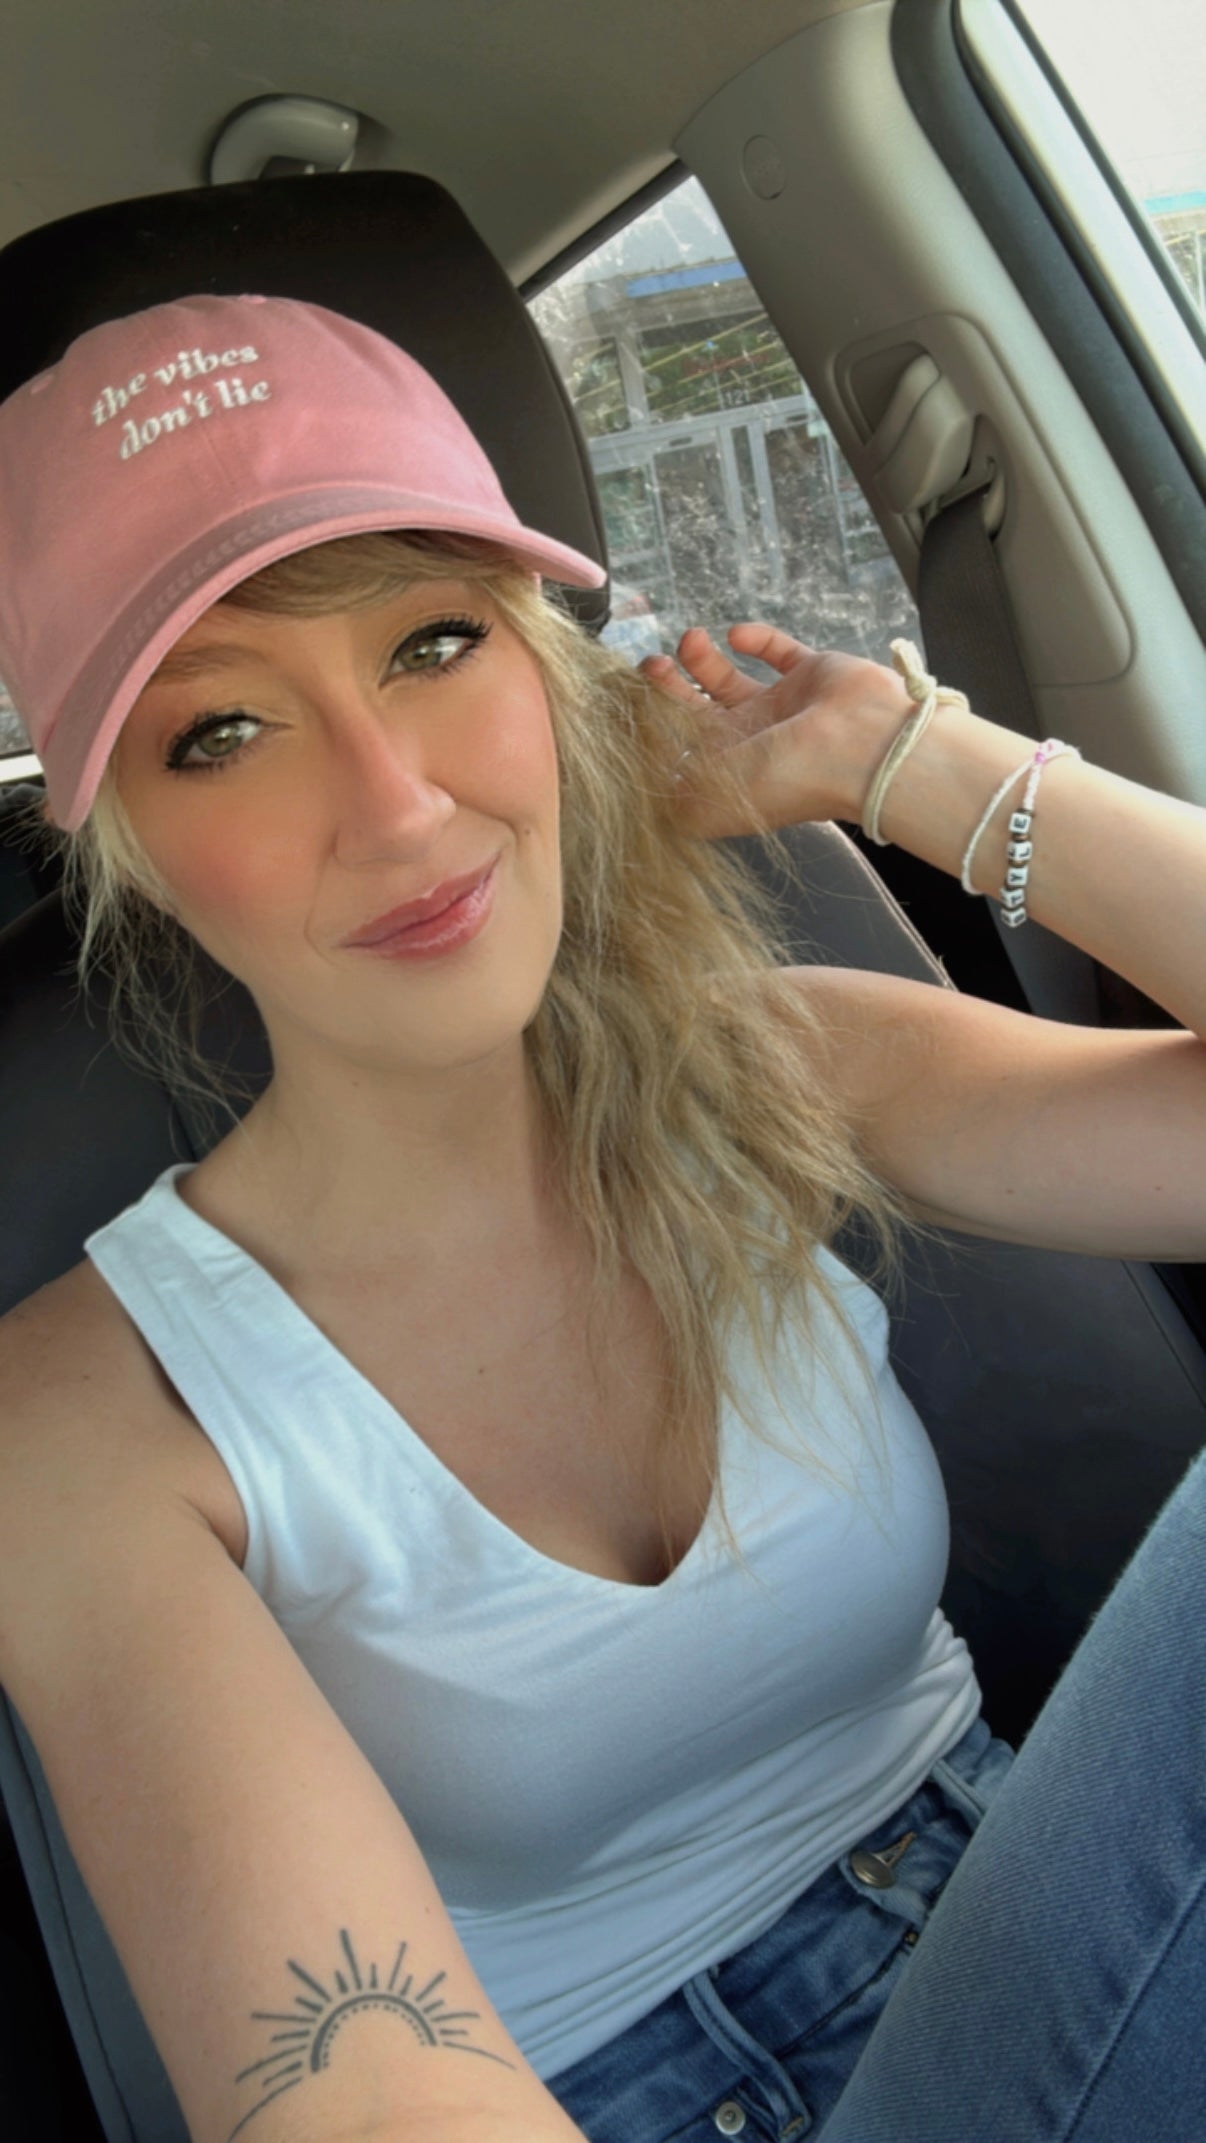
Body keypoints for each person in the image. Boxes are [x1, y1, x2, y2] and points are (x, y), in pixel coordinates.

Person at [0, 291, 1203, 2143]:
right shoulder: (80, 1422)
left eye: (432, 643)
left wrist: (912, 770)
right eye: (224, 730)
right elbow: (362, 2081)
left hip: (1040, 1924)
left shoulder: (777, 1065)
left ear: (554, 669)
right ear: (129, 848)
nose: (397, 807)